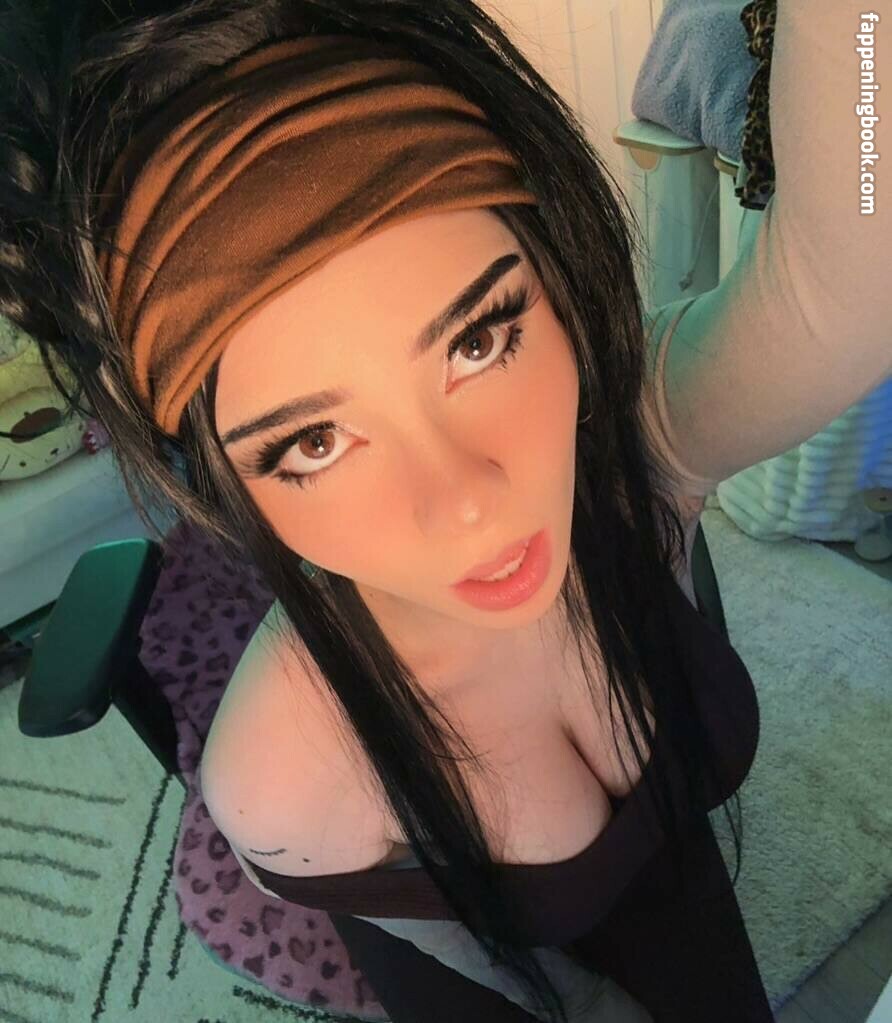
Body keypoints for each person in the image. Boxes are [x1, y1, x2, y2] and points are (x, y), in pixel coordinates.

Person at [1, 1, 887, 1020]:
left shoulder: (628, 446)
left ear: (552, 276)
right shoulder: (284, 777)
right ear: (220, 479)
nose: (469, 506)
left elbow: (845, 286)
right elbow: (444, 955)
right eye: (313, 441)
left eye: (478, 339)